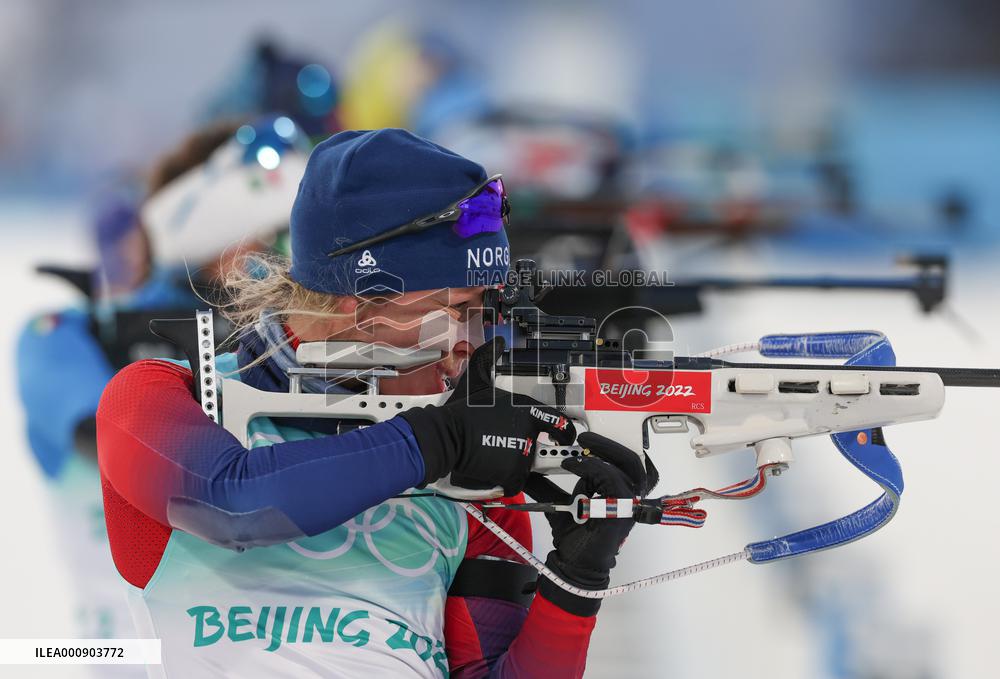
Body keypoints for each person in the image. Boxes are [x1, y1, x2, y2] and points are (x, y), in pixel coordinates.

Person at [96, 129, 652, 677]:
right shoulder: (166, 398)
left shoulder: (473, 477)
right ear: (359, 298)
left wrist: (575, 582)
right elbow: (233, 501)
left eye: (487, 311)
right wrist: (439, 440)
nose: (475, 341)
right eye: (456, 308)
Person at [14, 116, 308, 663]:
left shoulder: (293, 341)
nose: (275, 251)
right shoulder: (71, 335)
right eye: (263, 231)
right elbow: (112, 433)